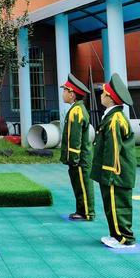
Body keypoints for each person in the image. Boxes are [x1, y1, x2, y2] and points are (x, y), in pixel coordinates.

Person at [91, 73, 136, 249]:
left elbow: (114, 149)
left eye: (103, 93)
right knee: (111, 204)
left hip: (116, 171)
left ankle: (125, 238)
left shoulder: (115, 119)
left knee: (119, 205)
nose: (101, 95)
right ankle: (116, 235)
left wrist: (109, 172)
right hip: (114, 171)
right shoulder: (111, 116)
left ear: (110, 98)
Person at [60, 73, 95, 221]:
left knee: (83, 185)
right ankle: (82, 210)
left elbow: (75, 138)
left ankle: (87, 212)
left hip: (80, 158)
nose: (63, 93)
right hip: (78, 158)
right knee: (79, 185)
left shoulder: (77, 111)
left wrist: (73, 158)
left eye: (65, 90)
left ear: (72, 94)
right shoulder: (76, 109)